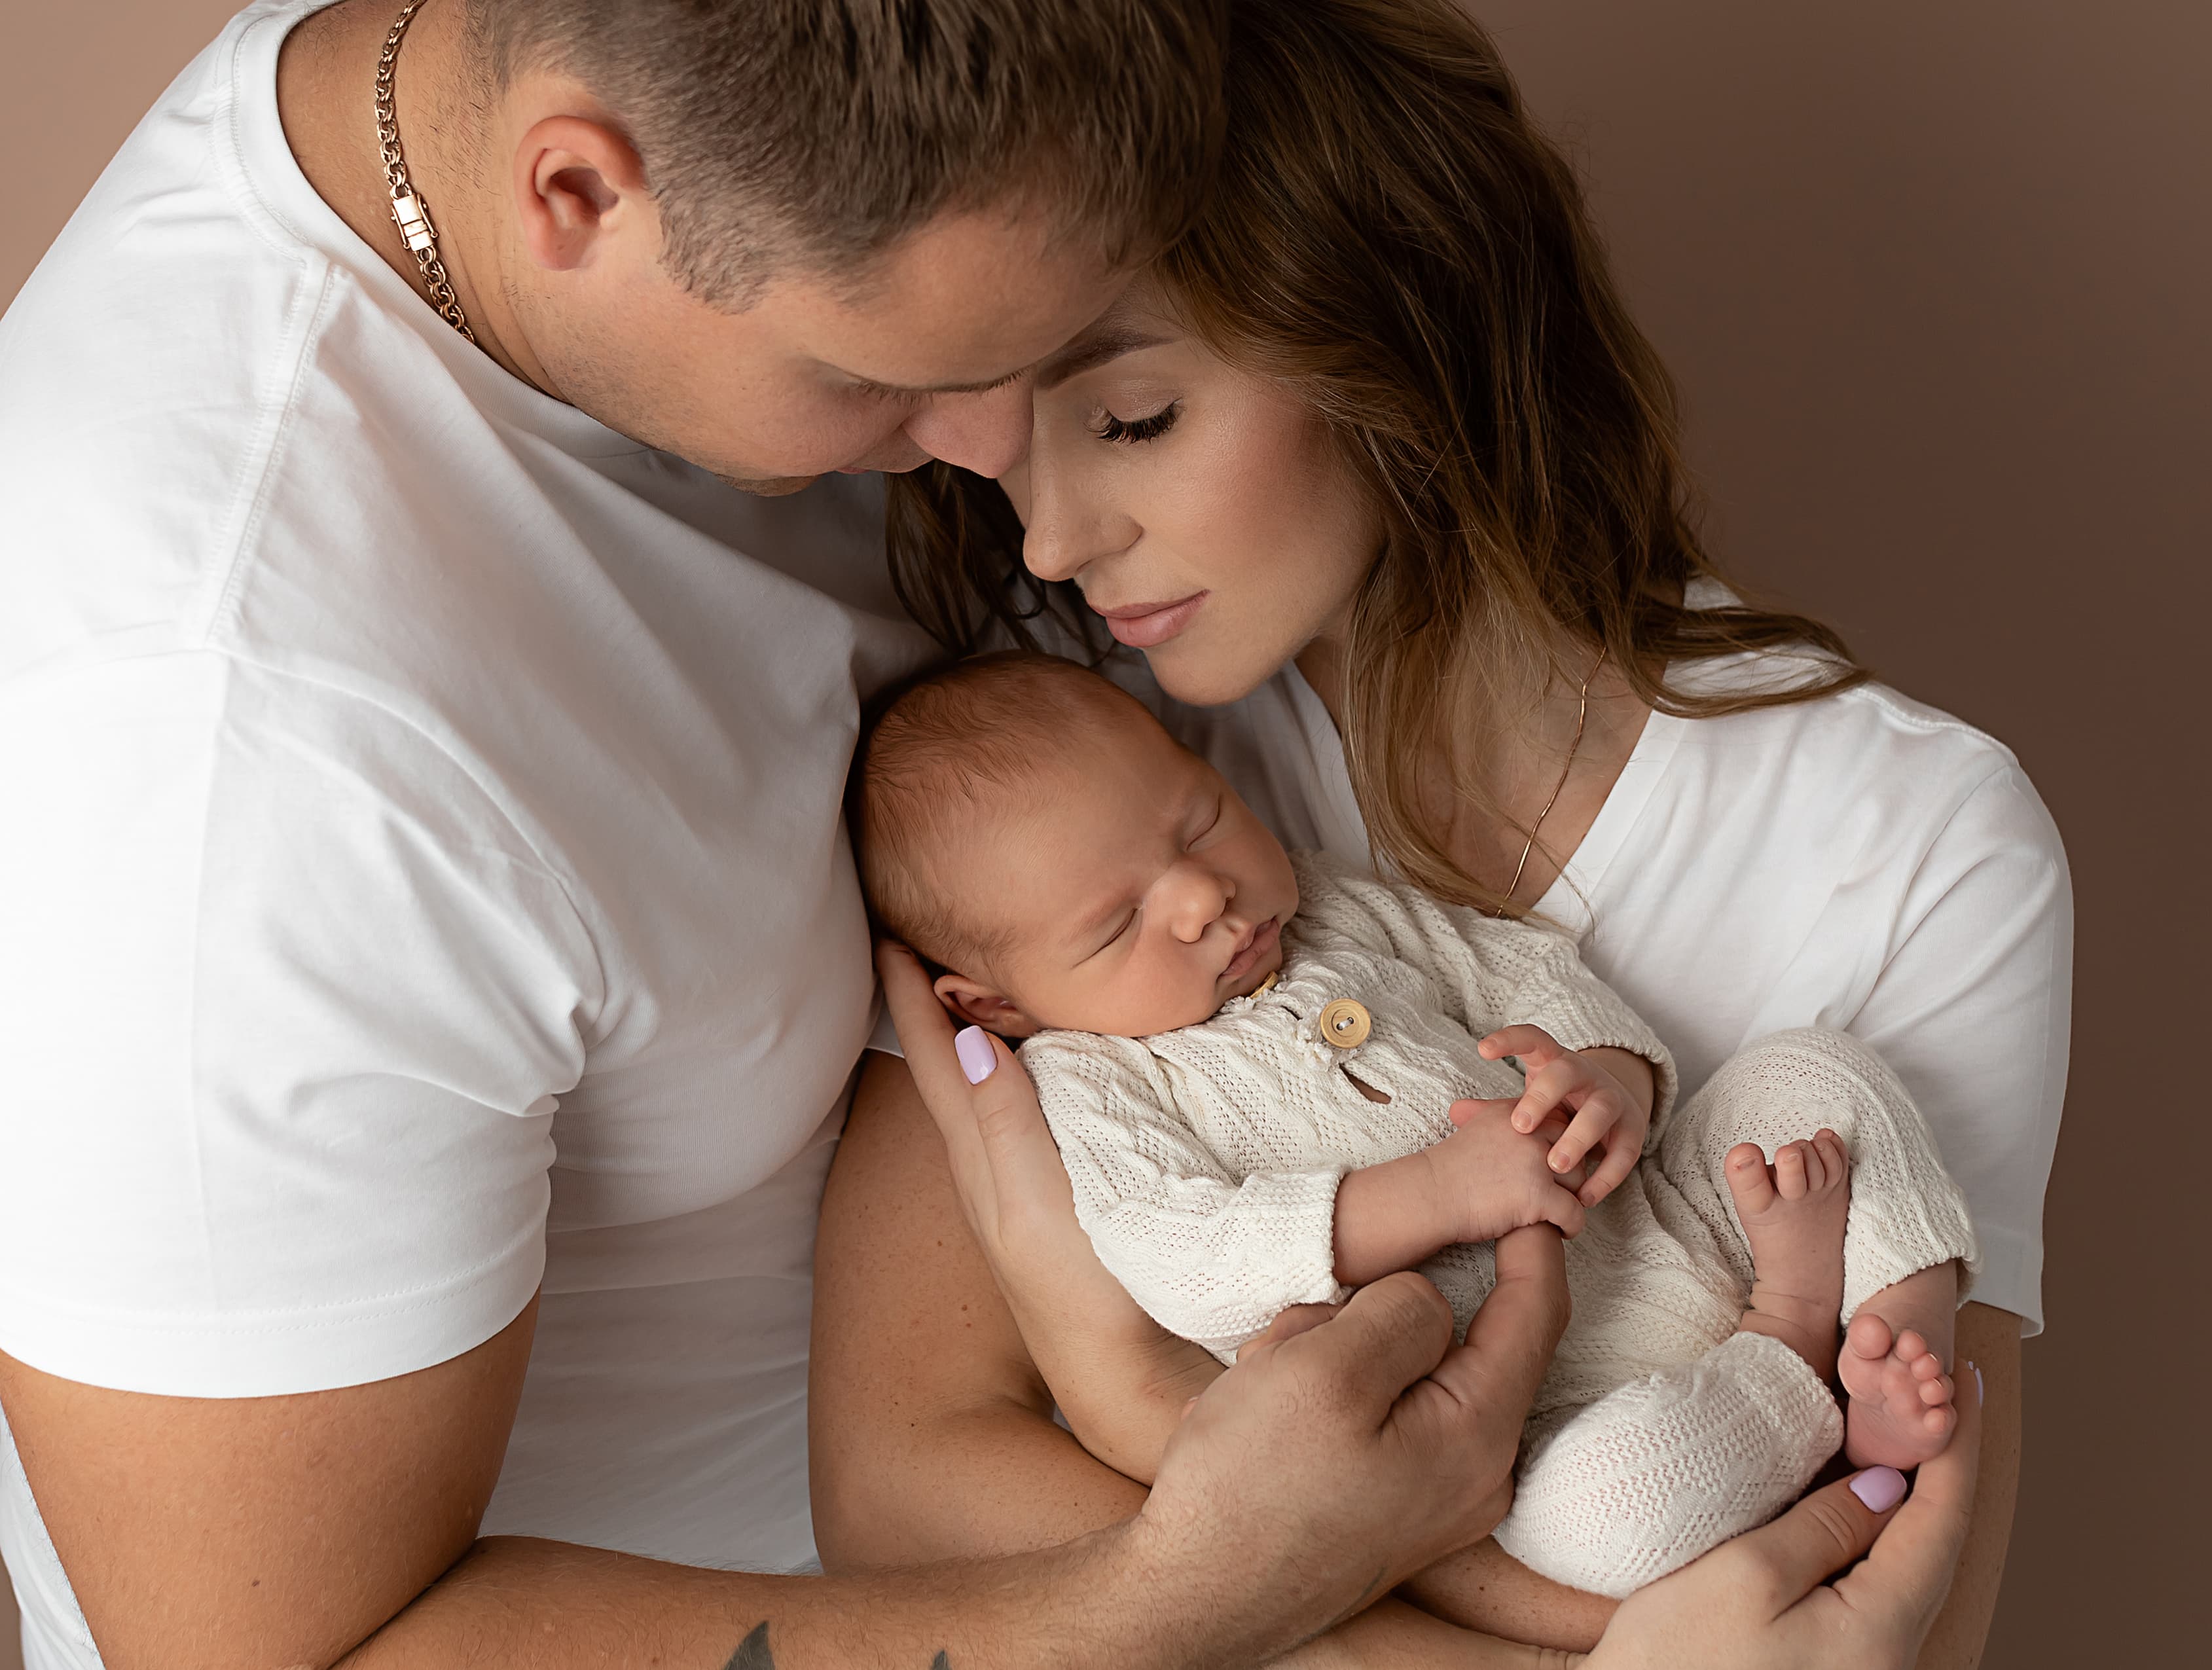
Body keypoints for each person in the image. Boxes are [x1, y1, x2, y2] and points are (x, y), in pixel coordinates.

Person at [0, 1, 1610, 1667]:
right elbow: (265, 1655)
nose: (1006, 474)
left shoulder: (649, 121)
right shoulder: (217, 764)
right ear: (576, 199)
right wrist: (1198, 1593)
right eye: (884, 378)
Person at [829, 0, 2067, 1661]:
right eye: (1006, 451)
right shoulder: (1064, 762)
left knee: (1819, 1095)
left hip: (1716, 1269)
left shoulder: (1916, 839)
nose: (1050, 537)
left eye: (1129, 420)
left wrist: (1115, 1388)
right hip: (1615, 1489)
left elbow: (1905, 1623)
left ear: (1390, 324)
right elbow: (898, 1500)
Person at [848, 651, 1978, 1607]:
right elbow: (1186, 1257)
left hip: (1663, 1209)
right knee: (1600, 1518)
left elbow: (1526, 969)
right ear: (993, 1007)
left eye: (1196, 822)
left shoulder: (1334, 906)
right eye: (1115, 924)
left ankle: (1893, 1329)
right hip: (1550, 1410)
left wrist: (1608, 1077)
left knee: (1818, 1075)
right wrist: (1438, 1195)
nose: (1201, 899)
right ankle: (1793, 1349)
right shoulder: (1093, 1086)